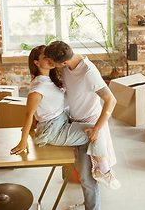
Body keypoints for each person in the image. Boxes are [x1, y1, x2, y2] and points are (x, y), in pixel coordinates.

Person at [10, 45, 120, 191]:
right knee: (96, 134)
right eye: (45, 57)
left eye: (50, 58)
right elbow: (28, 114)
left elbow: (110, 101)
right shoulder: (38, 87)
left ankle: (98, 171)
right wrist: (24, 140)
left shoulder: (54, 77)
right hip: (52, 128)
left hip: (60, 118)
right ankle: (104, 172)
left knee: (93, 127)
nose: (50, 61)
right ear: (36, 63)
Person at [45, 41, 118, 210]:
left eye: (52, 62)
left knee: (87, 176)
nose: (50, 64)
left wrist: (97, 128)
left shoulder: (88, 72)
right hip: (75, 121)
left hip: (89, 126)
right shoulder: (66, 65)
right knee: (82, 172)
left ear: (63, 62)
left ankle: (92, 209)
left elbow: (111, 101)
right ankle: (89, 203)